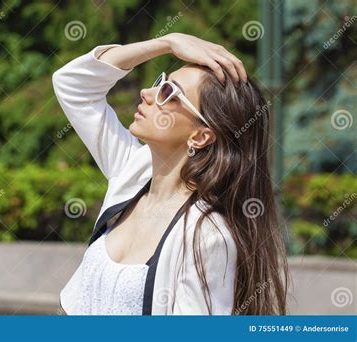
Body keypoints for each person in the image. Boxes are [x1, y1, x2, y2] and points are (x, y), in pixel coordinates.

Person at [52, 32, 289, 315]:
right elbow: (73, 84)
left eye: (169, 93)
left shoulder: (207, 235)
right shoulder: (132, 173)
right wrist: (165, 43)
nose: (147, 94)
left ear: (201, 136)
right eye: (159, 83)